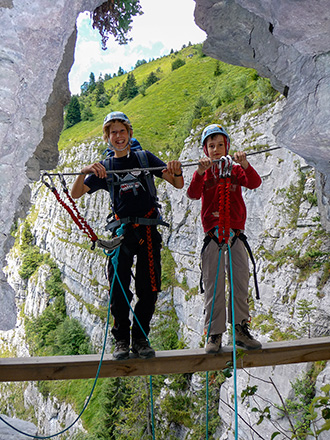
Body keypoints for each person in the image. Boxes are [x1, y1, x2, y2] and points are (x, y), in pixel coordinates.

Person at [71, 111, 184, 360]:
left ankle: (140, 337)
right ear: (107, 138)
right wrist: (84, 171)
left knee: (150, 288)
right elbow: (76, 193)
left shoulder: (145, 158)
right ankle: (122, 338)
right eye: (113, 132)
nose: (118, 136)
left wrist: (176, 170)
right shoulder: (105, 168)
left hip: (147, 230)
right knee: (118, 288)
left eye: (122, 131)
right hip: (121, 233)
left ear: (130, 133)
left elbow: (176, 183)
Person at [187, 124, 262, 353]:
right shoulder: (205, 172)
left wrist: (245, 163)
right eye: (212, 146)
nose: (216, 149)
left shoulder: (235, 170)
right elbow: (192, 193)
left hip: (236, 235)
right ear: (205, 149)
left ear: (227, 146)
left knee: (240, 281)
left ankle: (240, 329)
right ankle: (214, 333)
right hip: (213, 236)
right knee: (214, 285)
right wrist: (200, 172)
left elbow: (254, 183)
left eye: (220, 145)